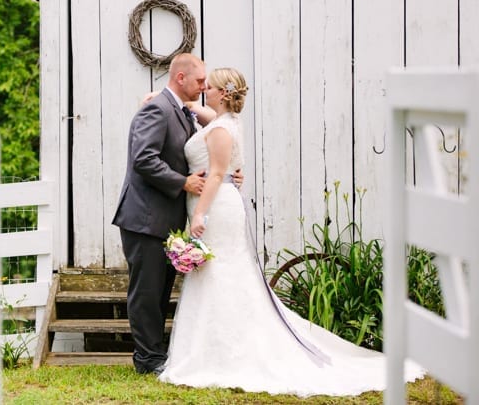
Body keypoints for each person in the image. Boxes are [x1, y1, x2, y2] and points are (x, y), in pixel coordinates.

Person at [158, 67, 424, 395]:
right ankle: (215, 345)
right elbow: (204, 114)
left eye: (209, 87)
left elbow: (215, 175)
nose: (204, 91)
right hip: (219, 202)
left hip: (215, 208)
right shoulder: (224, 122)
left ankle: (227, 351)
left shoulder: (220, 131)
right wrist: (164, 100)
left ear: (223, 94)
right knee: (219, 271)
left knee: (221, 271)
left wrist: (199, 214)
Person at [111, 53, 209, 375]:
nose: (203, 86)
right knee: (147, 292)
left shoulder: (180, 112)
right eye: (199, 81)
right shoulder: (157, 108)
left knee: (160, 291)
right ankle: (147, 359)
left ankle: (157, 353)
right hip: (144, 218)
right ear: (180, 78)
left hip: (164, 221)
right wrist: (184, 183)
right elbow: (144, 159)